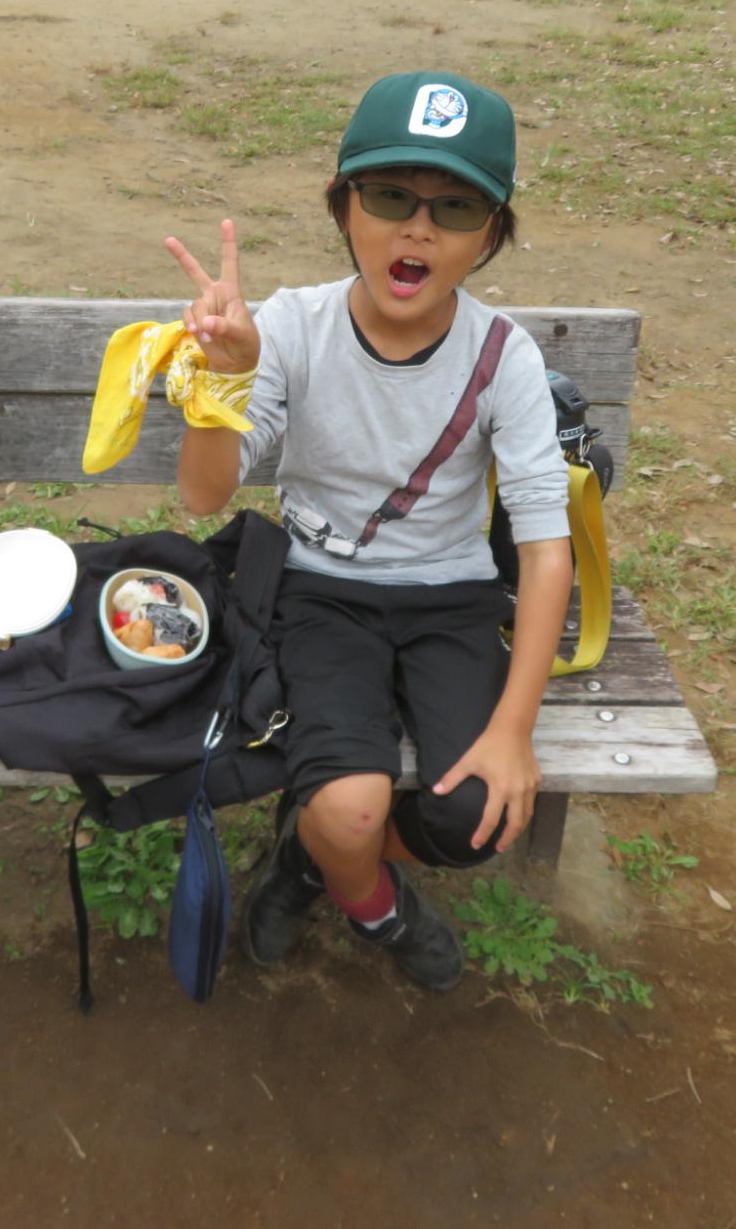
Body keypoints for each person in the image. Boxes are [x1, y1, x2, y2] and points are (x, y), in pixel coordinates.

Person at [168, 72, 571, 992]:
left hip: (449, 597)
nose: (417, 228)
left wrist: (515, 727)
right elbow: (202, 494)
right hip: (320, 592)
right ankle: (371, 900)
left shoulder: (505, 355)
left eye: (456, 207)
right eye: (390, 196)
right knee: (348, 808)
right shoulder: (293, 328)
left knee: (474, 816)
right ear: (344, 206)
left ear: (491, 236)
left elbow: (547, 547)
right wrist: (220, 382)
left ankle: (308, 864)